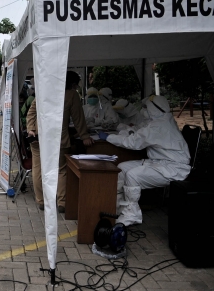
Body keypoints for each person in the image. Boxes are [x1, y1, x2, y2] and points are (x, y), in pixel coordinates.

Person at [98, 95, 190, 226]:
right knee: (122, 167)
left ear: (154, 109)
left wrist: (109, 138)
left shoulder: (158, 126)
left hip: (173, 168)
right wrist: (125, 131)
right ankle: (118, 207)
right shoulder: (161, 120)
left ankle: (132, 214)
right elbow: (139, 131)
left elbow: (133, 142)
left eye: (146, 107)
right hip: (161, 162)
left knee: (133, 176)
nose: (144, 110)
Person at [27, 71, 94, 212]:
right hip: (59, 139)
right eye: (76, 85)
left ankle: (41, 201)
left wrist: (31, 128)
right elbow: (78, 118)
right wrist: (84, 136)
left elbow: (31, 112)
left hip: (38, 137)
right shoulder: (71, 95)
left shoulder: (45, 92)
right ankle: (61, 202)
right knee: (61, 170)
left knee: (38, 169)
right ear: (73, 84)